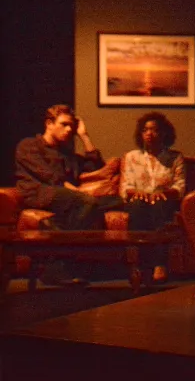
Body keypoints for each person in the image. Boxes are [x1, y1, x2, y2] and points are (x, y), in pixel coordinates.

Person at [15, 104, 123, 285]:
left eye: (71, 126)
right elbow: (49, 176)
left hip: (63, 197)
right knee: (88, 203)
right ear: (49, 124)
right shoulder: (29, 145)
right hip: (39, 193)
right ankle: (55, 267)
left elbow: (94, 166)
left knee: (116, 201)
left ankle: (54, 225)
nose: (68, 130)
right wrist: (76, 192)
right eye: (64, 124)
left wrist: (84, 136)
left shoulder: (66, 154)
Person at [120, 111, 186, 282]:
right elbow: (126, 186)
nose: (149, 134)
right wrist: (137, 193)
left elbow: (179, 186)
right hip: (138, 200)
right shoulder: (131, 157)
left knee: (159, 205)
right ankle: (137, 265)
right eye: (145, 130)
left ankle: (159, 264)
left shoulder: (175, 157)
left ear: (164, 133)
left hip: (163, 201)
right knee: (138, 206)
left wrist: (164, 193)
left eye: (154, 130)